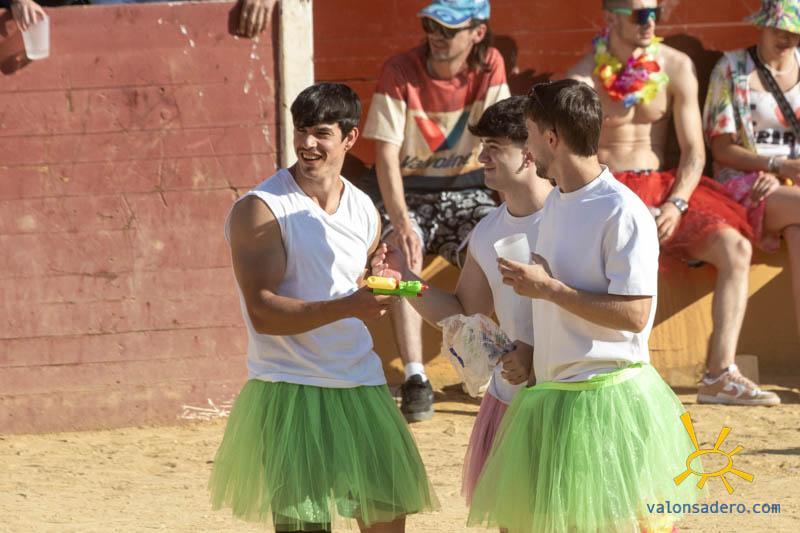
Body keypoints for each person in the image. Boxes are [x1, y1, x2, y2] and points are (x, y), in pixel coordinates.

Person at [467, 79, 699, 533]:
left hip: (605, 400)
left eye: (529, 135)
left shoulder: (622, 210)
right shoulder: (557, 199)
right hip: (556, 397)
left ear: (551, 138)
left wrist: (549, 289)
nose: (526, 148)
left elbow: (634, 315)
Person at [209, 83, 438, 533]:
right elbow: (263, 313)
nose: (307, 143)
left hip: (360, 382)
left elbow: (354, 284)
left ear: (350, 138)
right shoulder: (261, 209)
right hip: (291, 387)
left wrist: (378, 279)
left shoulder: (364, 209)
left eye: (321, 133)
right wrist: (351, 305)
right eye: (301, 130)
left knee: (388, 515)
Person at [568, 0, 780, 406]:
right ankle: (595, 373)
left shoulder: (675, 65)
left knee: (735, 248)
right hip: (608, 193)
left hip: (663, 189)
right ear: (610, 17)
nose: (650, 22)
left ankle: (719, 374)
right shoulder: (581, 77)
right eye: (639, 14)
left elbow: (694, 151)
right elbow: (572, 157)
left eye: (655, 13)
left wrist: (677, 204)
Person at [371, 96, 552, 508]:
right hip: (511, 400)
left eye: (493, 147)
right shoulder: (487, 230)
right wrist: (405, 281)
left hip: (568, 396)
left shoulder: (569, 217)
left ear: (528, 153)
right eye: (482, 145)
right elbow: (464, 311)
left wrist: (535, 352)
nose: (481, 157)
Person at [362, 0, 510, 421]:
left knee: (495, 254)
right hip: (409, 192)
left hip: (469, 188)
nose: (436, 37)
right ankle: (416, 376)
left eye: (448, 29)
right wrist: (402, 223)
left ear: (477, 32)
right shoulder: (400, 69)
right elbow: (385, 156)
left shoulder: (489, 64)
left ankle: (488, 367)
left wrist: (510, 215)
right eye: (431, 26)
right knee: (401, 256)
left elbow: (503, 135)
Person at [704, 0, 800, 360]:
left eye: (794, 31)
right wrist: (776, 166)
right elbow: (721, 149)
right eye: (779, 29)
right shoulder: (731, 69)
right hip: (746, 183)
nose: (786, 38)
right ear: (762, 25)